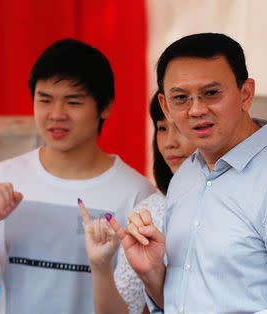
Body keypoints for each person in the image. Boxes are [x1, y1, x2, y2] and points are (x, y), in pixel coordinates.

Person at [109, 33, 267, 313]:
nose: (196, 109)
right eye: (181, 98)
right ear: (165, 107)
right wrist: (152, 273)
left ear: (246, 94)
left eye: (211, 93)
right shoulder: (185, 178)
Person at [0, 38, 155, 313]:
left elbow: (144, 307)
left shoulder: (137, 194)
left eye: (73, 102)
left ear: (105, 107)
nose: (56, 114)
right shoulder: (6, 178)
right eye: (45, 100)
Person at [78, 91, 196, 314]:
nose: (170, 142)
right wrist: (100, 266)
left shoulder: (246, 199)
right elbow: (124, 310)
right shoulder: (151, 210)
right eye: (161, 128)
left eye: (180, 127)